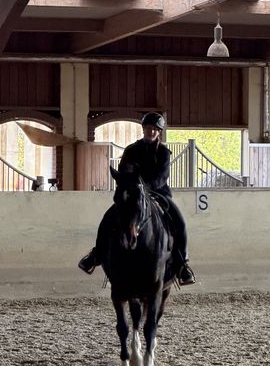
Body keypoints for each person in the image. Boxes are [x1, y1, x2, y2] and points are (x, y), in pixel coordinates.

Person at [78, 112, 196, 285]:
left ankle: (182, 264)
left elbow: (162, 176)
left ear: (159, 132)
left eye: (155, 129)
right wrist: (131, 183)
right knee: (108, 218)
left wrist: (146, 188)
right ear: (143, 129)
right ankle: (96, 254)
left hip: (158, 193)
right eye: (148, 128)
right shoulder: (131, 150)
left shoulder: (163, 152)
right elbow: (124, 170)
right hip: (133, 193)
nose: (151, 131)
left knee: (179, 222)